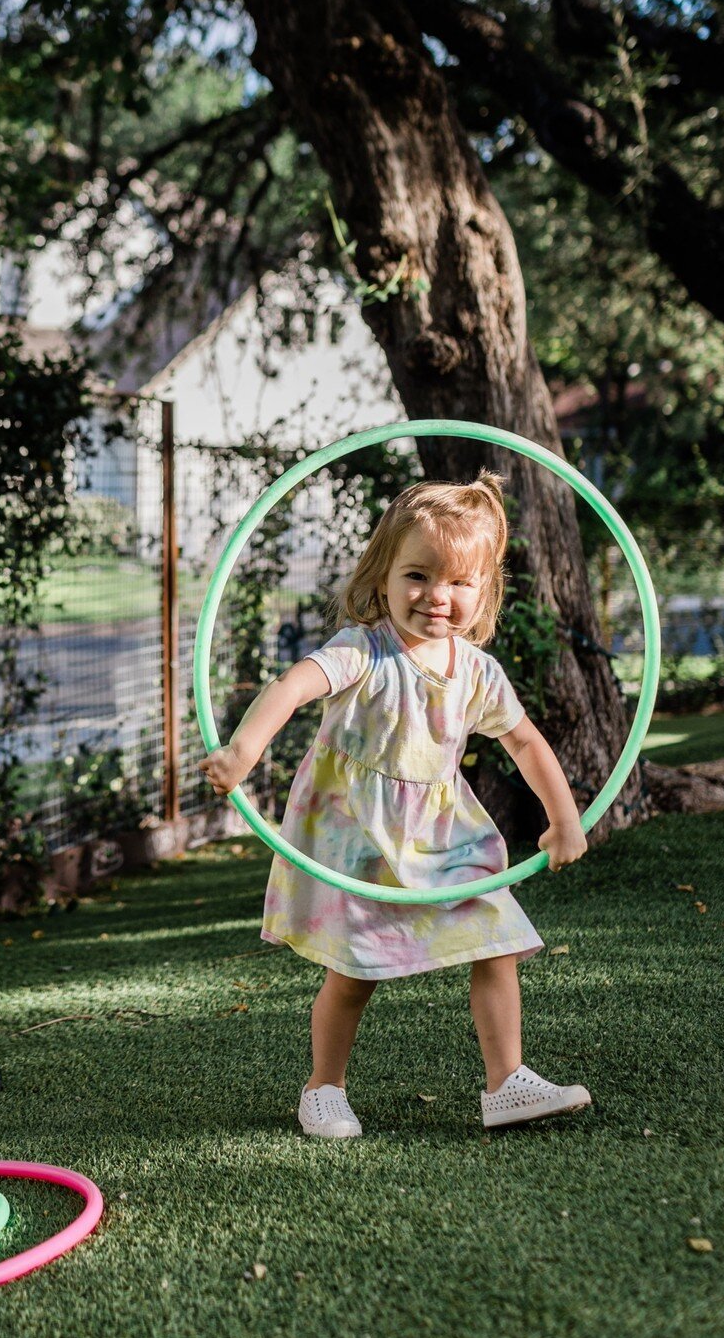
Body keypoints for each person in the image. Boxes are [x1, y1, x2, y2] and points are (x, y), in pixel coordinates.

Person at [198, 472, 592, 1138]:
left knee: (496, 942)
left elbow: (524, 741)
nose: (436, 597)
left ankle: (506, 1082)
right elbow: (291, 686)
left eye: (459, 582)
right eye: (417, 575)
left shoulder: (476, 671)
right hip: (356, 836)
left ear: (482, 590)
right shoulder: (363, 649)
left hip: (443, 833)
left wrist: (563, 817)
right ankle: (323, 1088)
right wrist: (241, 753)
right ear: (382, 573)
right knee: (353, 974)